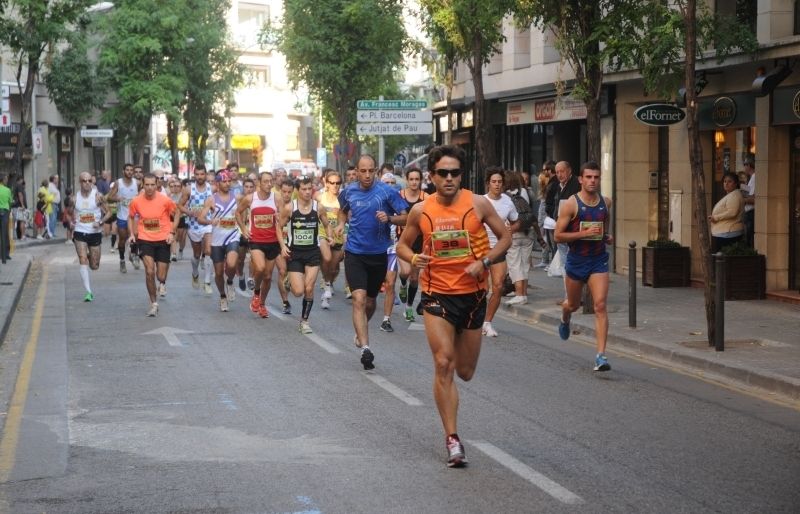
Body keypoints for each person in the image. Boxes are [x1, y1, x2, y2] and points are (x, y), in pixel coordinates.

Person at [397, 145, 511, 468]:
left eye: (455, 173)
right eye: (443, 173)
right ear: (432, 176)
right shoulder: (421, 211)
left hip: (473, 296)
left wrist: (484, 261)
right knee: (444, 363)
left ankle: (453, 428)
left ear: (462, 175)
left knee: (465, 371)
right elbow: (402, 245)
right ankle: (452, 439)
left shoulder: (478, 204)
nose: (449, 178)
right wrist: (414, 258)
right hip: (437, 295)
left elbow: (505, 238)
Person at [335, 154, 408, 370]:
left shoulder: (387, 192)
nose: (367, 175)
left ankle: (361, 329)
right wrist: (340, 224)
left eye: (370, 171)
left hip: (378, 254)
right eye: (363, 171)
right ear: (356, 172)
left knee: (370, 301)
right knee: (358, 299)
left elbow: (406, 216)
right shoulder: (348, 191)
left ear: (375, 171)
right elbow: (342, 211)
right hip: (354, 253)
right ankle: (366, 349)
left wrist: (390, 218)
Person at [555, 161, 613, 372]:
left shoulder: (606, 202)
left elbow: (604, 225)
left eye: (596, 177)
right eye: (588, 177)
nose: (592, 181)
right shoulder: (571, 204)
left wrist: (606, 237)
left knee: (600, 305)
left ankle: (601, 356)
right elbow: (558, 236)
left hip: (598, 260)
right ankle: (565, 317)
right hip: (577, 260)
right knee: (573, 305)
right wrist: (582, 234)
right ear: (580, 179)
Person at [235, 171, 289, 319]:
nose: (269, 184)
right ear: (259, 183)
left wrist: (280, 217)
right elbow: (238, 213)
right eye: (265, 181)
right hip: (256, 240)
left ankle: (262, 304)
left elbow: (284, 217)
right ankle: (256, 294)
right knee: (260, 268)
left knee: (267, 276)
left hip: (272, 241)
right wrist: (244, 229)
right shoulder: (250, 198)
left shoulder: (276, 198)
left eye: (271, 181)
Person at [127, 174, 180, 317]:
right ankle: (154, 304)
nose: (150, 188)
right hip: (145, 239)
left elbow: (177, 214)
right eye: (147, 185)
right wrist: (132, 234)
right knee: (149, 271)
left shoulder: (165, 200)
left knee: (160, 276)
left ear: (157, 185)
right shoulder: (136, 201)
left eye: (152, 185)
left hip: (163, 239)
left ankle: (162, 283)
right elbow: (130, 217)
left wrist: (172, 232)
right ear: (142, 185)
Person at [281, 176, 325, 333]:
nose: (307, 192)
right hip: (295, 253)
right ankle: (289, 280)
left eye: (309, 189)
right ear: (297, 191)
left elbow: (326, 223)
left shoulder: (318, 207)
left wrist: (331, 235)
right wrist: (282, 246)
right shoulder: (290, 208)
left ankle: (304, 321)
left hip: (313, 252)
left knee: (309, 287)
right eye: (304, 189)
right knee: (298, 291)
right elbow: (278, 227)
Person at [481, 167, 518, 337]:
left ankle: (487, 323)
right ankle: (476, 318)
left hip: (498, 248)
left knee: (498, 286)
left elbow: (516, 221)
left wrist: (511, 230)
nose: (497, 185)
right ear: (488, 183)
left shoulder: (508, 202)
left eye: (499, 182)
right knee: (482, 288)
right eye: (493, 182)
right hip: (481, 248)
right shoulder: (481, 201)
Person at [197, 171, 240, 311]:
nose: (227, 184)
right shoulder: (211, 199)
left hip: (233, 235)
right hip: (217, 240)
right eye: (224, 181)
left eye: (229, 181)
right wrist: (211, 221)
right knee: (219, 272)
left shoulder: (237, 197)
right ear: (217, 183)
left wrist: (243, 225)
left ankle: (230, 282)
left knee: (232, 264)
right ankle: (222, 296)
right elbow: (200, 218)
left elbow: (243, 213)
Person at [70, 172, 108, 301]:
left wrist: (100, 222)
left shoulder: (98, 197)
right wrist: (71, 222)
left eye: (89, 181)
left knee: (94, 266)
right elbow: (69, 212)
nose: (87, 183)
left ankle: (89, 256)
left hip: (94, 233)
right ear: (80, 182)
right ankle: (88, 292)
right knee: (82, 258)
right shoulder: (74, 198)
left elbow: (109, 213)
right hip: (80, 232)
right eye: (84, 181)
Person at [396, 168, 428, 321]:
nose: (414, 182)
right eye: (411, 179)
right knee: (406, 271)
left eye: (417, 179)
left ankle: (408, 308)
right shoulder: (400, 196)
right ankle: (402, 283)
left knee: (415, 278)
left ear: (420, 180)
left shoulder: (426, 198)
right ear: (407, 180)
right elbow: (394, 214)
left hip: (419, 242)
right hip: (403, 240)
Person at [180, 164, 214, 294]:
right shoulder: (189, 189)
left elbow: (217, 202)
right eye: (197, 174)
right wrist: (189, 212)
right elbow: (179, 205)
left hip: (207, 224)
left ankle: (207, 282)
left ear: (206, 175)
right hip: (194, 226)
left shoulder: (212, 188)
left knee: (208, 251)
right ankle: (195, 272)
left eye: (202, 174)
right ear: (194, 175)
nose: (200, 177)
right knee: (196, 255)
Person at [503, 171, 535, 305]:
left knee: (515, 264)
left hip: (514, 232)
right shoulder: (524, 192)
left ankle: (519, 293)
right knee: (525, 264)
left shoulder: (504, 196)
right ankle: (523, 293)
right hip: (528, 232)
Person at [316, 170, 345, 310]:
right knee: (326, 258)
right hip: (322, 233)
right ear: (326, 183)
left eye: (338, 183)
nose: (335, 185)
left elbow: (347, 216)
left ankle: (328, 284)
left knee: (333, 267)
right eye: (332, 183)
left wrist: (342, 224)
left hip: (338, 236)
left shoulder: (343, 199)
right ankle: (327, 285)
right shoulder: (319, 197)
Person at [107, 163, 139, 273]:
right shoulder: (118, 183)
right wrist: (118, 198)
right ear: (123, 171)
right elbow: (109, 197)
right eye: (127, 170)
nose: (129, 172)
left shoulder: (137, 183)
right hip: (122, 216)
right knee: (122, 239)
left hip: (134, 216)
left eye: (131, 170)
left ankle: (133, 254)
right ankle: (122, 260)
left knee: (136, 236)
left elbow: (142, 195)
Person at [379, 172, 400, 332]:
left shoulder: (399, 202)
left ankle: (386, 319)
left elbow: (409, 220)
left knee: (391, 283)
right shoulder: (374, 200)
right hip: (375, 249)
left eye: (393, 183)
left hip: (392, 248)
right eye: (387, 183)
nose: (390, 186)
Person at [709, 172, 745, 253]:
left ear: (735, 184)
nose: (726, 184)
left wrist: (716, 217)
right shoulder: (731, 195)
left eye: (729, 181)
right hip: (725, 232)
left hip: (729, 232)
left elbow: (732, 212)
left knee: (723, 256)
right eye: (725, 181)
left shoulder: (734, 195)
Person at [236, 177, 256, 291]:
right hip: (241, 231)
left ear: (254, 188)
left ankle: (250, 278)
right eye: (246, 187)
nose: (249, 189)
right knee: (240, 259)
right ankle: (241, 276)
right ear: (243, 188)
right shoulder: (239, 199)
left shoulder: (257, 200)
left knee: (253, 257)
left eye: (251, 187)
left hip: (253, 231)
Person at [535, 163, 556, 268]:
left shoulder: (548, 189)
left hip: (547, 219)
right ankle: (546, 260)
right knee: (548, 239)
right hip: (546, 219)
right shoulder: (547, 189)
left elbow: (544, 209)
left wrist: (541, 222)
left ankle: (548, 261)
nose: (538, 181)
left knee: (549, 240)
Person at [167, 178, 187, 261]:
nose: (176, 188)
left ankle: (181, 250)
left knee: (181, 238)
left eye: (178, 186)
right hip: (172, 218)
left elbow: (186, 208)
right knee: (174, 235)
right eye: (174, 186)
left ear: (181, 187)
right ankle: (174, 254)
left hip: (182, 218)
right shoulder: (169, 196)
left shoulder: (184, 196)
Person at [742, 158, 756, 247]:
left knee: (749, 239)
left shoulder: (754, 177)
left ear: (749, 165)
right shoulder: (751, 178)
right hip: (749, 212)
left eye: (745, 165)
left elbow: (753, 199)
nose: (744, 168)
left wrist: (741, 199)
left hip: (751, 212)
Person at [12, 175, 27, 241]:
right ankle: (22, 236)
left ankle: (13, 236)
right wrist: (22, 205)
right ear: (21, 179)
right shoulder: (19, 185)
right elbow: (20, 195)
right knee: (22, 220)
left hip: (14, 206)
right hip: (19, 206)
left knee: (14, 221)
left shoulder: (14, 186)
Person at [0, 174, 11, 262]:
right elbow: (10, 201)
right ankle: (4, 256)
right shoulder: (7, 190)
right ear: (3, 180)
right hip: (5, 212)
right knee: (4, 234)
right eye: (6, 179)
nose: (7, 181)